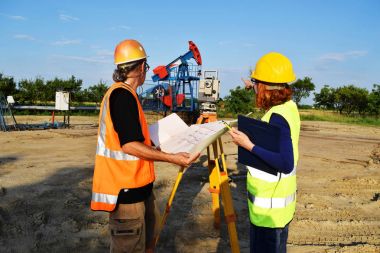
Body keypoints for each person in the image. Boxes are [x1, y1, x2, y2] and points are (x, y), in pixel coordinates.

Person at [91, 39, 198, 253]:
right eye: (146, 67)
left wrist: (155, 148)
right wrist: (173, 157)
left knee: (148, 244)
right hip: (126, 194)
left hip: (140, 189)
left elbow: (135, 140)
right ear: (140, 67)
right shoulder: (121, 96)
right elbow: (129, 145)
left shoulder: (128, 95)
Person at [229, 52, 300, 253]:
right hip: (281, 211)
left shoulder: (277, 117)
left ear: (266, 87)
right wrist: (253, 85)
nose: (255, 87)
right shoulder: (289, 107)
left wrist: (247, 144)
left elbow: (286, 163)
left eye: (256, 83)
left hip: (268, 215)